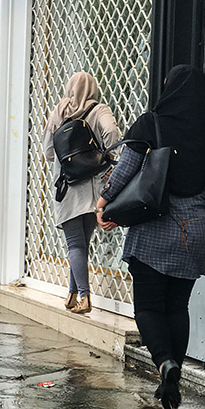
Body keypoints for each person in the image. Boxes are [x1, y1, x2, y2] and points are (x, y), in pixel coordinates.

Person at [96, 65, 205, 409]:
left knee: (149, 307)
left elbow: (126, 168)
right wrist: (204, 225)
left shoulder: (151, 122)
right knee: (177, 307)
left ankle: (165, 363)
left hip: (155, 225)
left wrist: (105, 201)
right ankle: (174, 371)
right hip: (193, 229)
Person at [44, 72, 122, 314]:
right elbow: (113, 135)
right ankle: (72, 294)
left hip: (67, 186)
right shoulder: (99, 110)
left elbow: (47, 151)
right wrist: (109, 158)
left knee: (74, 244)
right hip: (94, 186)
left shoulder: (59, 111)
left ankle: (85, 298)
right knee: (81, 244)